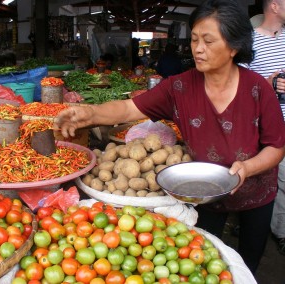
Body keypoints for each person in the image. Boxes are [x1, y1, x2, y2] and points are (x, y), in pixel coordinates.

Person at [54, 0, 285, 274]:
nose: (198, 48)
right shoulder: (180, 87)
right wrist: (90, 113)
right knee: (204, 261)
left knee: (247, 265)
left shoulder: (258, 89)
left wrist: (248, 168)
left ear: (234, 46)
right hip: (202, 192)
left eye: (208, 41)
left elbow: (276, 146)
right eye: (195, 39)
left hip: (256, 194)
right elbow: (129, 108)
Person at [246, 0, 285, 256]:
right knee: (275, 178)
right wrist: (266, 84)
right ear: (274, 5)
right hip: (268, 126)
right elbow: (238, 85)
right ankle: (279, 232)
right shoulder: (248, 41)